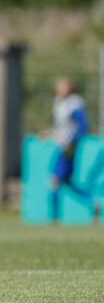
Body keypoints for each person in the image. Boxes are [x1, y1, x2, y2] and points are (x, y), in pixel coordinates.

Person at [47, 75, 90, 219]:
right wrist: (49, 133)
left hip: (67, 148)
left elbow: (82, 126)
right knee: (67, 181)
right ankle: (93, 202)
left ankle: (54, 215)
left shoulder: (74, 104)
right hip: (61, 146)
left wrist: (72, 142)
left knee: (55, 178)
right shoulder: (59, 103)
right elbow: (61, 127)